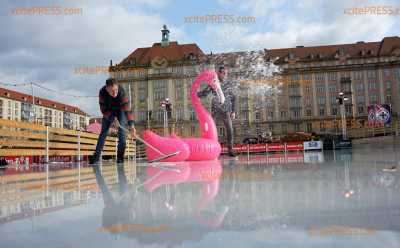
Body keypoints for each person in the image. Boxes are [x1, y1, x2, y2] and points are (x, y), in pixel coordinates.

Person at [89, 78, 136, 164]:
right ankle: (96, 156)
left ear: (117, 87)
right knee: (103, 133)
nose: (114, 93)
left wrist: (131, 125)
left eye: (116, 90)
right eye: (112, 91)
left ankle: (120, 158)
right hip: (108, 111)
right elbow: (103, 109)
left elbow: (127, 110)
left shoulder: (122, 93)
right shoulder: (102, 92)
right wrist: (112, 118)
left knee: (122, 133)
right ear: (107, 89)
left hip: (120, 111)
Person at [198, 65, 237, 157]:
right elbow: (204, 93)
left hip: (226, 109)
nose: (225, 75)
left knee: (230, 129)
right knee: (212, 128)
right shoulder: (213, 83)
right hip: (215, 109)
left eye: (226, 73)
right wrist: (195, 93)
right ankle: (211, 148)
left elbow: (234, 97)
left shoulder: (228, 84)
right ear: (218, 73)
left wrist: (233, 111)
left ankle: (230, 149)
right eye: (223, 73)